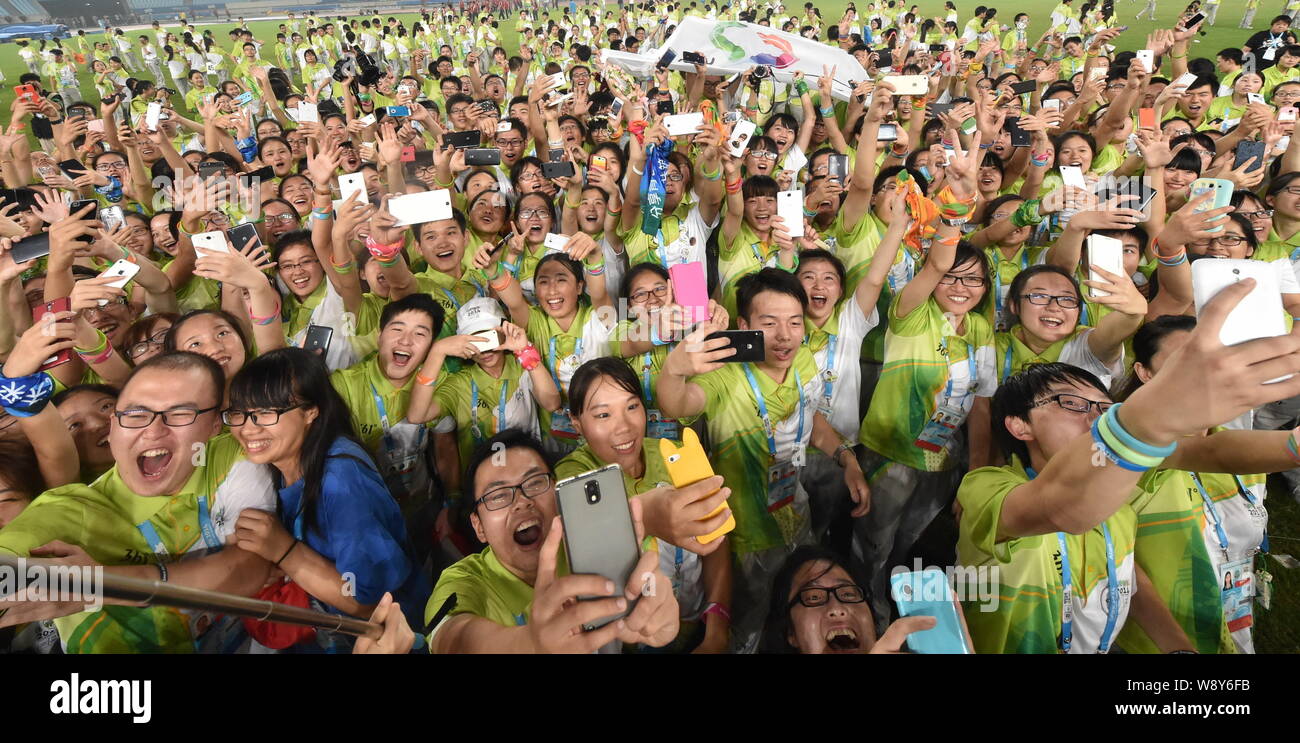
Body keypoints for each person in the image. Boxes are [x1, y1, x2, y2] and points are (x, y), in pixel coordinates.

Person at [0, 353, 277, 653]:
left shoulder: (230, 456)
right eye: (135, 414)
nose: (154, 429)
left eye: (181, 413)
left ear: (213, 425)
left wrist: (102, 584)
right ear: (114, 426)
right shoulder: (73, 509)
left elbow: (252, 565)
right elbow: (13, 555)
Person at [225, 348, 431, 651]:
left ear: (312, 411)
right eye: (238, 412)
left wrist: (284, 551)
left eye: (267, 412)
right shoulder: (286, 462)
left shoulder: (340, 481)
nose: (247, 427)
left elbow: (369, 602)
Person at [424, 429, 681, 653]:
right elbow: (453, 639)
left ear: (558, 496)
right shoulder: (462, 581)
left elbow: (634, 623)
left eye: (535, 482)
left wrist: (656, 617)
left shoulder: (591, 550)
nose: (522, 501)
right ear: (478, 526)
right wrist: (531, 644)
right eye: (498, 495)